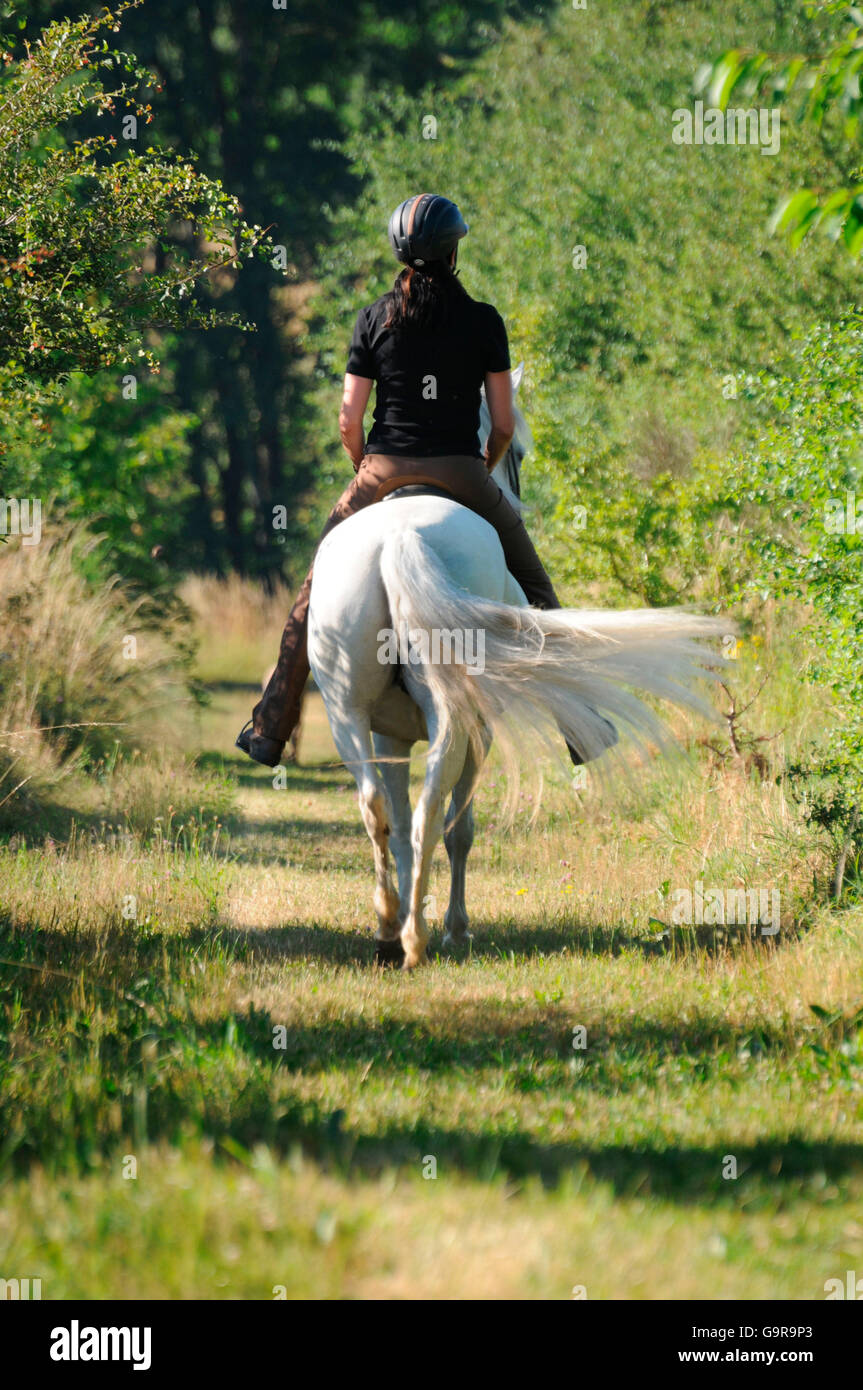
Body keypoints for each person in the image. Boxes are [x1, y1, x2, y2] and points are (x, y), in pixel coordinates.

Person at [236, 193, 612, 768]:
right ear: (454, 249)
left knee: (314, 589)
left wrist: (364, 466)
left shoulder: (372, 318)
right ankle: (579, 725)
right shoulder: (485, 321)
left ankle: (270, 727)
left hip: (381, 470)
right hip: (462, 470)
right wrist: (484, 465)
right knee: (537, 587)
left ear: (400, 252)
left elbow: (348, 417)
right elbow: (505, 422)